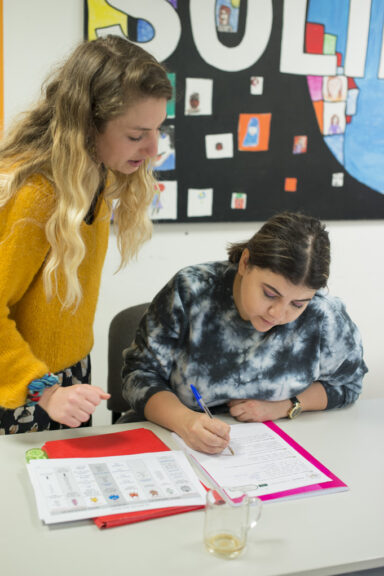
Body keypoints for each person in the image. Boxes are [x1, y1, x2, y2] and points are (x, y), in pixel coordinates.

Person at [0, 35, 172, 434]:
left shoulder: (94, 172)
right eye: (136, 135)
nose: (153, 148)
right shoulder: (37, 194)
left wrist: (61, 388)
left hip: (66, 380)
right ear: (86, 123)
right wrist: (43, 391)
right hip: (23, 390)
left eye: (157, 130)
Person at [122, 212, 367, 454]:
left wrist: (285, 406)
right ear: (245, 262)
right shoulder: (191, 290)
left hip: (273, 450)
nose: (278, 314)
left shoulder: (323, 314)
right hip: (175, 440)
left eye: (297, 304)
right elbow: (139, 375)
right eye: (270, 294)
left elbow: (349, 383)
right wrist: (185, 421)